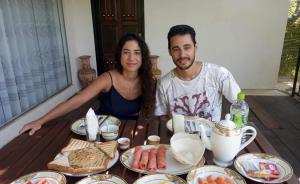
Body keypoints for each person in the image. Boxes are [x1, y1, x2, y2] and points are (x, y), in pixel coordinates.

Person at [20, 33, 155, 135]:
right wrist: (41, 121)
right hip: (101, 133)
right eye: (126, 52)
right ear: (119, 56)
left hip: (127, 133)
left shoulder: (147, 80)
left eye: (137, 53)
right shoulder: (108, 78)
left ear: (143, 57)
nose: (131, 58)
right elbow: (76, 100)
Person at [155, 25, 241, 122]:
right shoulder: (164, 84)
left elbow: (240, 105)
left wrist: (231, 132)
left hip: (212, 136)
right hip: (178, 136)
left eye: (187, 47)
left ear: (195, 48)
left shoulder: (219, 74)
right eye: (176, 49)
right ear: (170, 52)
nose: (182, 54)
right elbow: (162, 117)